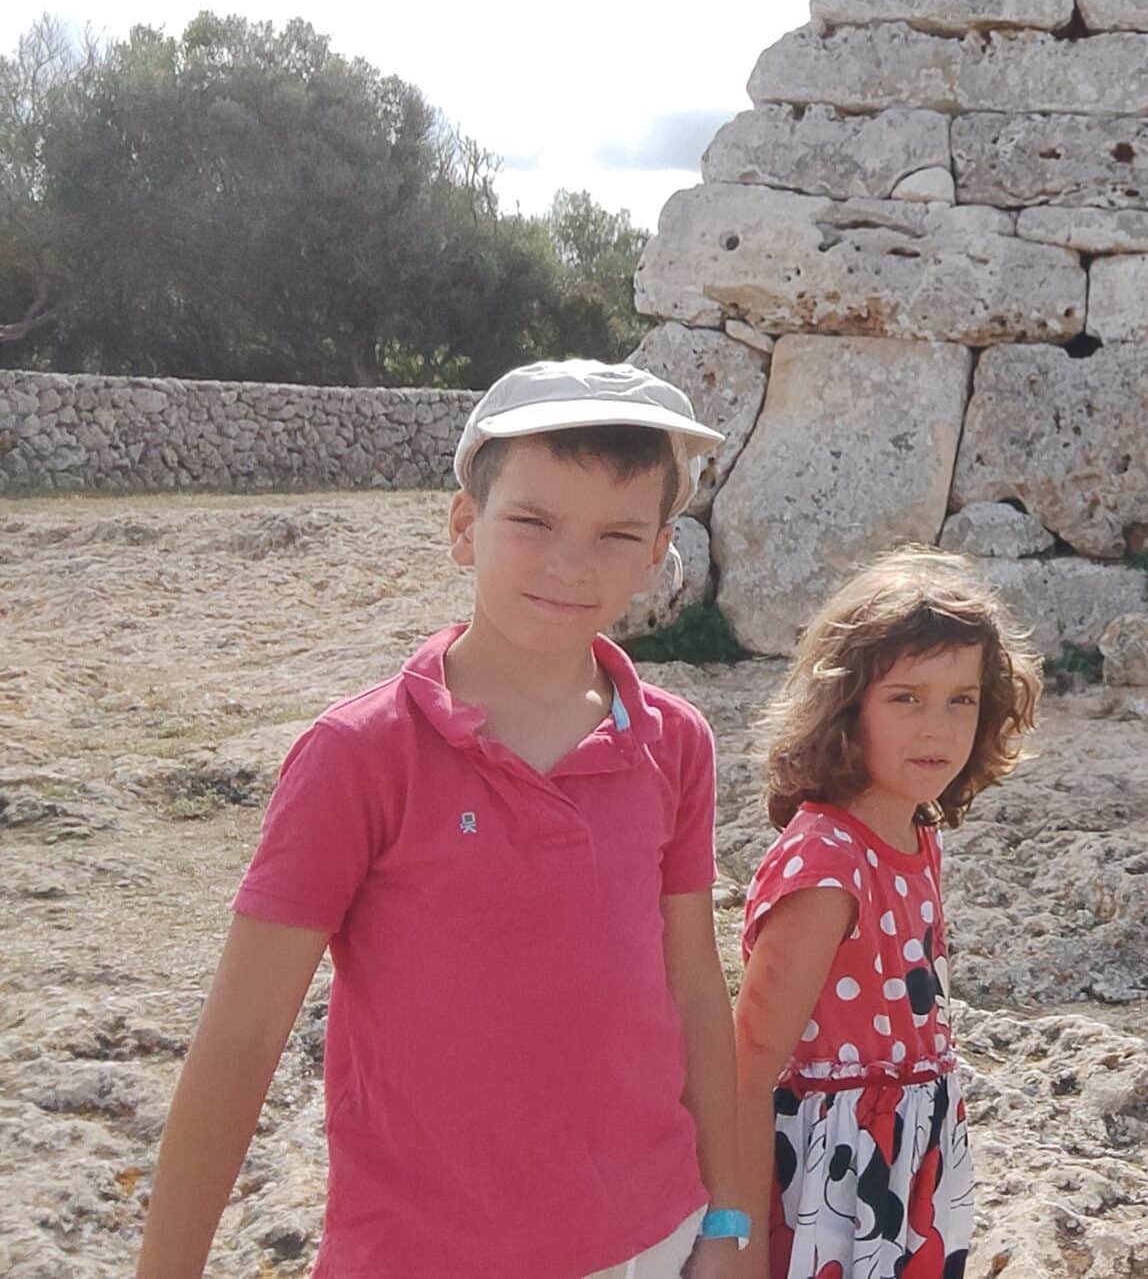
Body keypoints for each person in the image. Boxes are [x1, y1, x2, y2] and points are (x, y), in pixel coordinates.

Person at [136, 360, 759, 1278]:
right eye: (533, 522)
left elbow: (698, 996)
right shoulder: (360, 755)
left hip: (655, 1239)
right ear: (465, 526)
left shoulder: (677, 743)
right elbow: (240, 1040)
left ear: (661, 550)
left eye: (617, 534)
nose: (570, 565)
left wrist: (731, 1226)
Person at [730, 548, 1040, 1279]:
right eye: (906, 697)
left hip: (909, 1167)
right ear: (843, 706)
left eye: (961, 698)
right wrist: (734, 1238)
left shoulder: (914, 832)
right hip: (826, 1193)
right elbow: (746, 1070)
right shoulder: (828, 867)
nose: (937, 727)